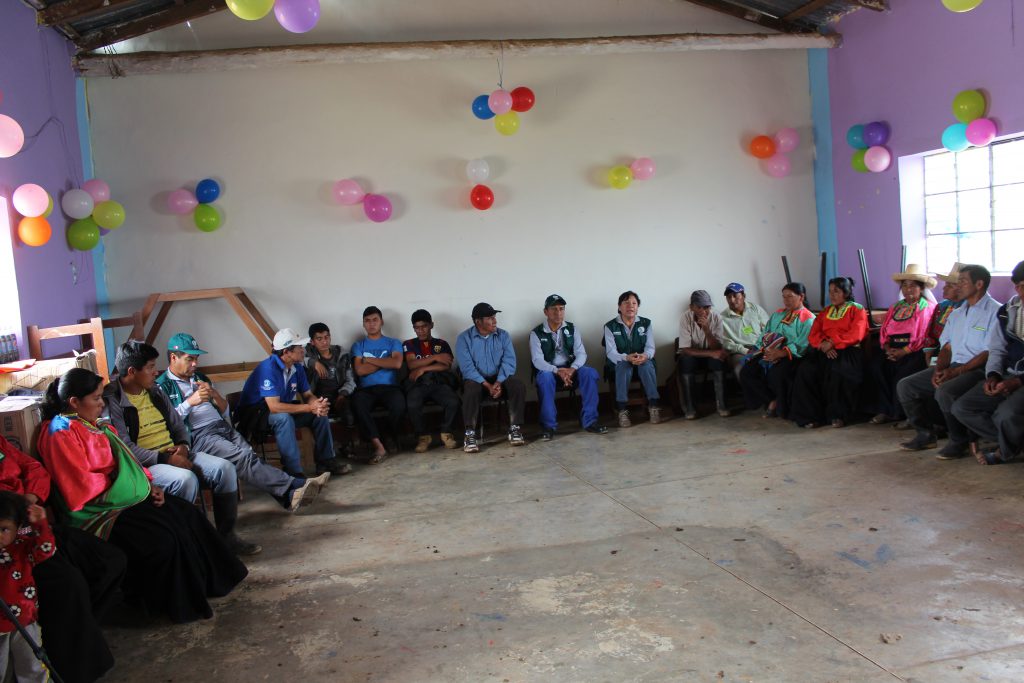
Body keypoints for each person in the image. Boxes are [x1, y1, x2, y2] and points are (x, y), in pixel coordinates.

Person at [37, 369, 248, 624]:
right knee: (164, 536)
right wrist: (135, 493)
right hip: (99, 510)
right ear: (74, 402)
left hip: (125, 495)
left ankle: (211, 582)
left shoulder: (93, 424)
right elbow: (80, 488)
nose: (102, 403)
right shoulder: (59, 433)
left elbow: (127, 462)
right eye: (96, 398)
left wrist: (148, 486)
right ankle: (170, 604)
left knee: (186, 513)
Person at [103, 341, 260, 556]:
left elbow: (178, 424)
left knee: (225, 469)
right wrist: (165, 459)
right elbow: (124, 447)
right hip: (146, 464)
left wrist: (184, 446)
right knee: (184, 479)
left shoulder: (154, 390)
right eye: (150, 367)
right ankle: (188, 545)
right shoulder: (112, 400)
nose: (155, 371)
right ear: (131, 371)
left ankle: (226, 537)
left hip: (175, 452)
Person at [156, 332, 328, 516]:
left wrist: (214, 394)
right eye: (190, 359)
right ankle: (298, 484)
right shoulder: (162, 386)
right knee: (245, 458)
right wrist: (190, 402)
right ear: (173, 358)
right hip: (200, 434)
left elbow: (224, 409)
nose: (195, 364)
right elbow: (168, 423)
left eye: (196, 358)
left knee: (249, 456)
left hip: (222, 426)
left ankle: (290, 497)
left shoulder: (200, 378)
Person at [1, 435, 123, 683]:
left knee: (110, 561)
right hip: (9, 540)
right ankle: (72, 666)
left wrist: (31, 497)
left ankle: (83, 634)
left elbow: (33, 468)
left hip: (32, 524)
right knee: (69, 584)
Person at [897, 264, 1001, 457]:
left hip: (979, 369)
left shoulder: (995, 312)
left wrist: (955, 372)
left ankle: (958, 440)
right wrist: (939, 369)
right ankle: (926, 433)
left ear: (979, 284)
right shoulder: (957, 313)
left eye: (962, 282)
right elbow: (947, 346)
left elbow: (989, 352)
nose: (958, 286)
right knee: (906, 386)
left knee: (945, 391)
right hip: (953, 366)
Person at [237, 328, 346, 478]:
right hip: (257, 415)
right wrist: (309, 407)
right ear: (286, 352)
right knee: (284, 419)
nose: (303, 350)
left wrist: (317, 405)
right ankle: (294, 471)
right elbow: (274, 407)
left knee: (319, 415)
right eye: (299, 348)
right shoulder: (268, 368)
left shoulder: (297, 367)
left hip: (279, 409)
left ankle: (326, 462)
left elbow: (308, 394)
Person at [951, 260, 1024, 465]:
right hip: (1008, 373)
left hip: (1020, 379)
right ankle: (1014, 442)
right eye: (1017, 285)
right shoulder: (1008, 311)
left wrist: (1017, 382)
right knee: (962, 408)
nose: (1019, 290)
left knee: (1005, 414)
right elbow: (997, 349)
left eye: (1023, 285)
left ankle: (1005, 450)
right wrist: (993, 375)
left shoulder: (994, 309)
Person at [789, 277, 868, 428]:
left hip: (848, 350)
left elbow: (856, 334)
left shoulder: (857, 309)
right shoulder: (826, 311)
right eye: (830, 291)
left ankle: (838, 415)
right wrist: (822, 344)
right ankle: (810, 416)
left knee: (838, 371)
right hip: (824, 350)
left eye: (836, 291)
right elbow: (813, 334)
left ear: (846, 292)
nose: (832, 295)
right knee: (806, 370)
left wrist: (833, 342)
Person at [529, 294, 607, 440]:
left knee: (589, 373)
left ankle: (590, 421)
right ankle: (548, 426)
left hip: (571, 369)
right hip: (550, 371)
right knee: (544, 379)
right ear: (546, 312)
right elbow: (537, 360)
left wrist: (572, 369)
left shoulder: (572, 329)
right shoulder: (536, 333)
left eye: (561, 309)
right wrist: (556, 370)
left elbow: (581, 354)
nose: (558, 313)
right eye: (554, 309)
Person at [870, 265, 939, 425]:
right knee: (876, 368)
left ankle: (904, 413)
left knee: (903, 374)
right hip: (891, 349)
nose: (908, 289)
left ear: (921, 288)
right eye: (905, 285)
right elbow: (885, 329)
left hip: (914, 350)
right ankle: (885, 409)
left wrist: (904, 351)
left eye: (913, 285)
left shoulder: (926, 308)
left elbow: (923, 334)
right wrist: (886, 347)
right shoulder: (896, 307)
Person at [0, 490, 56, 683]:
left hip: (24, 621)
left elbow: (46, 549)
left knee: (31, 665)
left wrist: (40, 523)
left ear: (18, 528)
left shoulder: (23, 548)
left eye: (4, 529)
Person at [456, 303, 527, 452]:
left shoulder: (503, 335)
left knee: (517, 385)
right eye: (490, 318)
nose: (495, 321)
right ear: (478, 321)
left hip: (498, 378)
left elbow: (509, 362)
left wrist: (498, 382)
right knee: (470, 388)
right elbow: (467, 368)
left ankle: (515, 428)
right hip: (477, 379)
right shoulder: (464, 338)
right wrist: (488, 385)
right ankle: (470, 433)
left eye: (494, 317)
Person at [740, 282, 816, 419]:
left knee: (777, 374)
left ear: (801, 296)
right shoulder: (778, 314)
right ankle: (771, 400)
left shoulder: (808, 318)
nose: (786, 300)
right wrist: (765, 349)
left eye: (790, 296)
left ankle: (783, 409)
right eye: (784, 297)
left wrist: (781, 353)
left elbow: (803, 344)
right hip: (770, 351)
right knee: (747, 371)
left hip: (792, 355)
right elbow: (765, 333)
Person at [350, 307, 406, 464]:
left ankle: (388, 437)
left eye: (375, 320)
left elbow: (396, 363)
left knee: (399, 404)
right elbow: (360, 370)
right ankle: (378, 446)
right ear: (363, 324)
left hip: (390, 387)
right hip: (366, 390)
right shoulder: (358, 346)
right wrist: (385, 361)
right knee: (358, 404)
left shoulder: (393, 342)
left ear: (381, 321)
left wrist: (368, 360)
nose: (371, 324)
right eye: (367, 321)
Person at [403, 310, 460, 453]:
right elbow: (411, 365)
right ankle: (423, 437)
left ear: (431, 325)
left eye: (424, 326)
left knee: (453, 401)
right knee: (412, 403)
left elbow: (445, 365)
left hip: (438, 382)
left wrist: (423, 369)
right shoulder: (409, 344)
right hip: (418, 384)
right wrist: (435, 358)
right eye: (417, 327)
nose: (421, 330)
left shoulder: (441, 344)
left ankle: (446, 433)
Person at [604, 291, 661, 428]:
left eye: (634, 303)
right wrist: (626, 357)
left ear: (638, 307)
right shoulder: (610, 326)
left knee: (646, 365)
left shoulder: (646, 323)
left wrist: (644, 356)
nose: (630, 306)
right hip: (621, 363)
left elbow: (650, 347)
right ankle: (622, 410)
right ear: (619, 307)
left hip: (642, 361)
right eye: (626, 303)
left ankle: (653, 406)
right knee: (623, 366)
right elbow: (611, 353)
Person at [676, 289, 730, 420]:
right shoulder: (685, 317)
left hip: (710, 354)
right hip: (693, 355)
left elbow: (717, 347)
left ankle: (722, 405)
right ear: (691, 307)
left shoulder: (716, 317)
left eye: (706, 307)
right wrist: (712, 353)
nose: (703, 311)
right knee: (686, 361)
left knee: (719, 361)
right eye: (699, 307)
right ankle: (690, 408)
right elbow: (685, 349)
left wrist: (706, 329)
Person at [304, 322, 356, 426]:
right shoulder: (307, 352)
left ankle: (349, 440)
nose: (324, 341)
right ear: (312, 342)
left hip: (339, 395)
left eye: (326, 337)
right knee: (319, 419)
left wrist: (342, 394)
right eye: (319, 339)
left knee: (350, 417)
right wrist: (313, 362)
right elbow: (295, 359)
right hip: (318, 398)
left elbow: (351, 379)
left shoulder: (341, 353)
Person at [719, 282, 771, 382]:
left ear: (743, 296)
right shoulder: (722, 318)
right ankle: (754, 396)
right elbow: (726, 343)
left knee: (771, 365)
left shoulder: (755, 309)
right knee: (740, 369)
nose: (732, 300)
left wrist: (763, 346)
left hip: (761, 346)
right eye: (729, 297)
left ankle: (771, 395)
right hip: (739, 352)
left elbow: (768, 328)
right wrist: (744, 350)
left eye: (735, 296)